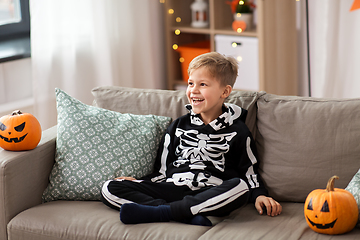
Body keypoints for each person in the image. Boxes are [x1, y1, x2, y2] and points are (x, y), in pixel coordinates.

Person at [101, 52, 282, 226]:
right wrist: (139, 181)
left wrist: (259, 194)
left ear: (225, 92)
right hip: (172, 187)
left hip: (209, 191)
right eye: (190, 83)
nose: (193, 90)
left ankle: (162, 212)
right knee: (110, 187)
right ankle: (181, 213)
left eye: (203, 84)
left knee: (240, 187)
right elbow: (162, 171)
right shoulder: (178, 126)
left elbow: (249, 172)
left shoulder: (239, 131)